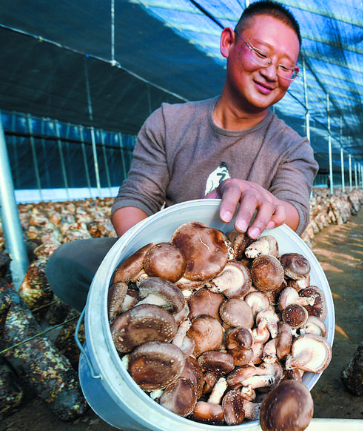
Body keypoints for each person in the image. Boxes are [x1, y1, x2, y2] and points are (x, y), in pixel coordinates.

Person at [46, 0, 318, 311]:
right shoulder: (169, 122)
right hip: (168, 254)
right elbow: (135, 200)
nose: (271, 73)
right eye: (260, 53)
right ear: (228, 42)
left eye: (285, 67)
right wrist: (157, 266)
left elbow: (294, 209)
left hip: (241, 279)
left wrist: (270, 206)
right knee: (68, 262)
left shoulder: (293, 147)